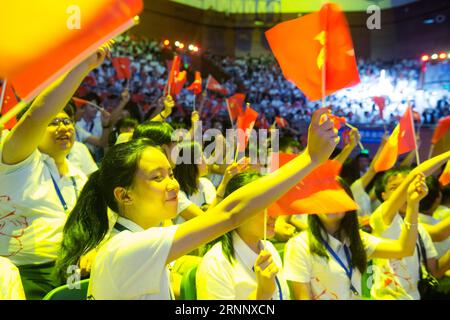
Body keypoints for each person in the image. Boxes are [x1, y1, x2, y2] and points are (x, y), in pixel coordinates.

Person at [55, 107, 340, 299]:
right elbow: (231, 213)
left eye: (170, 172)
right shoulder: (129, 247)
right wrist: (309, 159)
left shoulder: (134, 241)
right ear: (124, 194)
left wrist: (262, 294)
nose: (173, 184)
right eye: (157, 177)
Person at [0, 46, 109, 299]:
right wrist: (82, 66)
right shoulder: (17, 159)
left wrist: (93, 247)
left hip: (72, 269)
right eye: (54, 122)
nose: (63, 128)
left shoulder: (78, 176)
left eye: (67, 121)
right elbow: (37, 115)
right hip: (24, 271)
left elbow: (97, 223)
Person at [284, 175, 427, 300]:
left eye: (338, 198)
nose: (331, 204)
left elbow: (404, 249)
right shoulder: (299, 245)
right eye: (324, 198)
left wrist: (413, 205)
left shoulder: (356, 239)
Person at [197, 172, 290, 300]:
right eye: (265, 205)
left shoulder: (269, 248)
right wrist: (262, 294)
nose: (275, 215)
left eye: (274, 203)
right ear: (239, 211)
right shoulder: (216, 264)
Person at [370, 152, 450, 299]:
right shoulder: (381, 218)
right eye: (395, 188)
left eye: (406, 187)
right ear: (384, 195)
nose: (404, 192)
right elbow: (414, 175)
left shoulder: (419, 228)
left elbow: (435, 271)